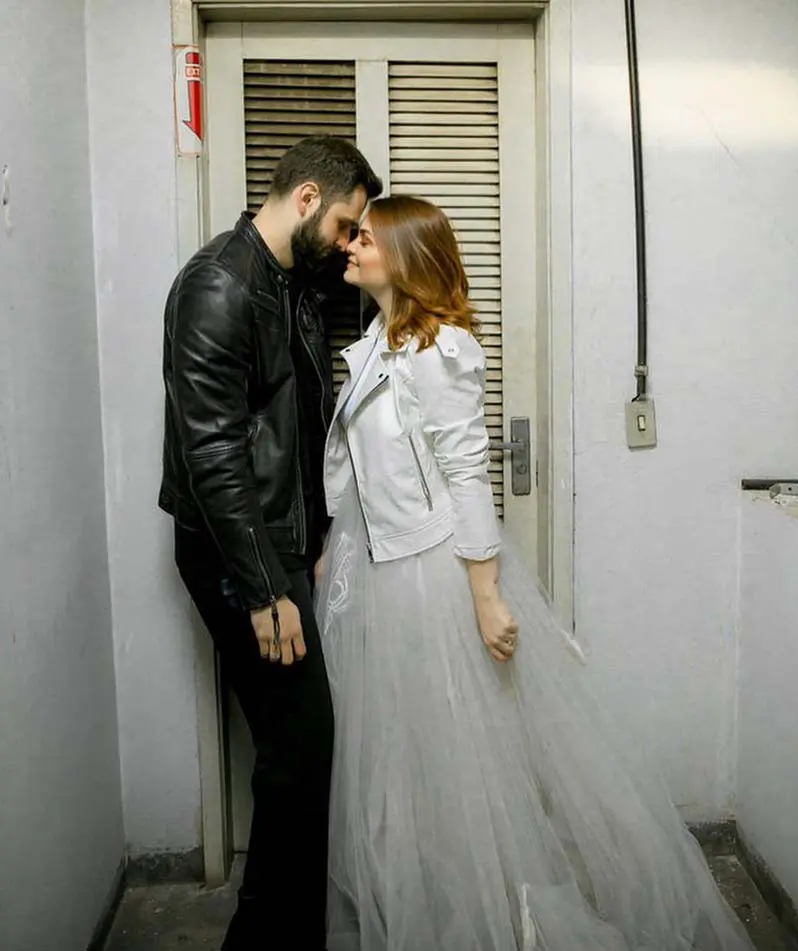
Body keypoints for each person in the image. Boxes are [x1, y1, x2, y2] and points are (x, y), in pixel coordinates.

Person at [315, 195, 756, 951]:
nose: (350, 245)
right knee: (399, 774)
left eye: (365, 237)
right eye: (352, 236)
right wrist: (335, 542)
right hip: (377, 577)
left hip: (432, 578)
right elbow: (364, 465)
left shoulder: (441, 351)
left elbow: (465, 472)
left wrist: (486, 597)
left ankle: (482, 923)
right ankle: (424, 914)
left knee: (455, 770)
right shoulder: (378, 342)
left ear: (407, 255)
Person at [159, 135, 382, 951]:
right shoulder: (221, 283)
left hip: (275, 545)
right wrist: (264, 587)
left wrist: (315, 541)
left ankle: (292, 934)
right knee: (298, 749)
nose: (353, 242)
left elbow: (296, 428)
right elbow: (212, 451)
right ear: (309, 199)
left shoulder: (292, 284)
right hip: (235, 553)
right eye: (350, 224)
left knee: (300, 754)